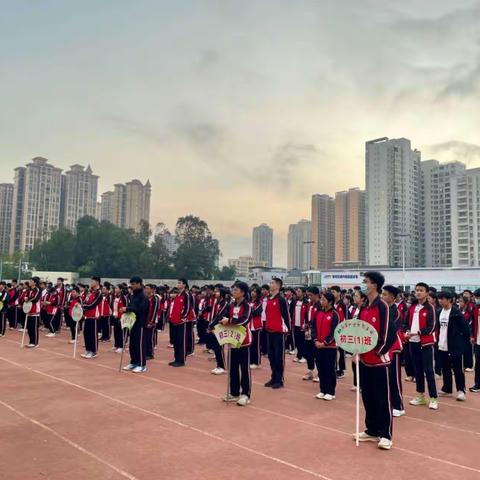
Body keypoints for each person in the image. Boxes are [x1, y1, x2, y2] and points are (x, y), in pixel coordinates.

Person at [356, 271, 395, 450]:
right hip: (364, 360)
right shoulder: (363, 306)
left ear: (374, 285)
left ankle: (385, 434)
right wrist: (357, 352)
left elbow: (388, 334)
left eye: (366, 281)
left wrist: (378, 352)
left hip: (380, 362)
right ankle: (371, 430)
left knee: (382, 398)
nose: (363, 284)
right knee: (367, 396)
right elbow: (357, 331)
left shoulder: (383, 306)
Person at [406, 282, 439, 410]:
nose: (418, 292)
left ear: (426, 293)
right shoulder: (413, 307)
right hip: (413, 342)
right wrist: (406, 331)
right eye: (416, 290)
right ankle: (420, 396)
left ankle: (433, 398)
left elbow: (431, 327)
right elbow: (405, 322)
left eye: (421, 290)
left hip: (426, 343)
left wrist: (418, 333)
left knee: (429, 371)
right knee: (417, 370)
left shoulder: (430, 308)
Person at [221, 281, 252, 406]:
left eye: (236, 290)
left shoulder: (247, 306)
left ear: (243, 293)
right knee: (233, 368)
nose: (233, 292)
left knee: (244, 368)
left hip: (243, 341)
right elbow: (222, 316)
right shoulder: (231, 304)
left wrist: (229, 320)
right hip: (232, 340)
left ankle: (245, 394)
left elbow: (244, 320)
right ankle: (234, 392)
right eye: (233, 290)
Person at [436, 291, 470, 401]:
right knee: (445, 368)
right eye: (439, 299)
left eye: (443, 298)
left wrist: (460, 343)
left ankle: (461, 390)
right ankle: (447, 389)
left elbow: (465, 329)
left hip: (455, 346)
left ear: (450, 300)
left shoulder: (456, 313)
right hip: (442, 345)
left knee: (458, 369)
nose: (440, 301)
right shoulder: (439, 312)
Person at [382, 285, 405, 417]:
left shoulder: (395, 311)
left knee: (394, 377)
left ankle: (399, 406)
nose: (382, 297)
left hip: (394, 348)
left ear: (393, 297)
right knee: (387, 378)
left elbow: (391, 328)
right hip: (385, 348)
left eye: (385, 294)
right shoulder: (385, 309)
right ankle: (390, 403)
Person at [312, 291, 339, 401]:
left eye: (324, 300)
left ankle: (331, 391)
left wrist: (325, 343)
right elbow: (313, 327)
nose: (321, 301)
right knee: (320, 368)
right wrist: (316, 340)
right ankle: (322, 390)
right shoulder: (318, 313)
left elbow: (335, 331)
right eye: (321, 299)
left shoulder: (334, 314)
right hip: (318, 346)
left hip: (329, 347)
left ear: (330, 302)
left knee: (329, 369)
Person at [265, 278, 290, 389]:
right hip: (269, 331)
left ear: (278, 286)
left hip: (279, 332)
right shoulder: (269, 299)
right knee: (271, 356)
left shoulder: (281, 300)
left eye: (273, 283)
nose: (270, 285)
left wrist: (287, 330)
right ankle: (273, 377)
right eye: (270, 283)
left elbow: (286, 316)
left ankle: (279, 380)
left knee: (278, 356)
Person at [122, 276, 149, 373]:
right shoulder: (133, 295)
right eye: (131, 284)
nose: (132, 286)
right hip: (132, 323)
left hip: (140, 323)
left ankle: (142, 364)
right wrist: (126, 311)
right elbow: (131, 306)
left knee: (140, 344)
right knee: (132, 344)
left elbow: (141, 309)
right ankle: (134, 362)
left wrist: (128, 309)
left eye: (133, 284)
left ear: (139, 284)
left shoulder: (143, 296)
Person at [169, 278, 194, 367]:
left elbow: (188, 308)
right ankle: (176, 359)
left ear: (184, 285)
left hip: (182, 322)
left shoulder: (187, 295)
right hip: (175, 321)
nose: (178, 284)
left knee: (181, 341)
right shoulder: (178, 295)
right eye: (178, 283)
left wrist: (183, 318)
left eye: (180, 283)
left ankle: (181, 360)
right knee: (176, 341)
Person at [207, 286, 230, 375]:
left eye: (218, 292)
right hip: (215, 327)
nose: (215, 293)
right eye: (215, 291)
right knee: (216, 347)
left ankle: (222, 366)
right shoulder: (217, 303)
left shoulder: (225, 303)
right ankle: (218, 365)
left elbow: (219, 316)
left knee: (219, 347)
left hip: (221, 327)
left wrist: (211, 324)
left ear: (222, 294)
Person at [303, 286, 321, 382]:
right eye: (308, 295)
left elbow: (317, 320)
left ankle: (319, 373)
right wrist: (306, 326)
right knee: (309, 353)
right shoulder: (309, 304)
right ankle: (310, 371)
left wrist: (310, 325)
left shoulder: (320, 305)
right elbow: (306, 316)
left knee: (317, 354)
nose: (309, 297)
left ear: (317, 295)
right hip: (308, 332)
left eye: (311, 295)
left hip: (316, 333)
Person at [81, 277, 102, 359]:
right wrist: (83, 305)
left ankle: (94, 351)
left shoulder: (99, 292)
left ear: (97, 282)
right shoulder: (90, 292)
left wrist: (83, 306)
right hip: (87, 315)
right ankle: (88, 349)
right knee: (86, 333)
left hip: (94, 316)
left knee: (93, 334)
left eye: (92, 281)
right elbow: (85, 301)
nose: (91, 283)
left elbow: (93, 304)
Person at [292, 287, 308, 364]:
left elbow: (307, 315)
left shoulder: (306, 302)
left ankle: (304, 356)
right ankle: (299, 355)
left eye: (299, 291)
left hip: (303, 325)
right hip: (296, 324)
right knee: (297, 340)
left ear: (303, 293)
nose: (297, 293)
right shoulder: (295, 301)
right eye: (297, 291)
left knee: (303, 341)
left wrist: (306, 324)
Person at [249, 286, 263, 369]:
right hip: (249, 326)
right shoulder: (249, 301)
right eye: (252, 291)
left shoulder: (259, 303)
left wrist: (248, 313)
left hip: (256, 326)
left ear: (257, 293)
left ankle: (257, 362)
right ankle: (251, 360)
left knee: (256, 345)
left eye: (254, 291)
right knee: (250, 344)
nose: (252, 293)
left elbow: (256, 313)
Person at [144, 284, 160, 360]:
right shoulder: (145, 298)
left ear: (152, 289)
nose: (146, 290)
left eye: (147, 288)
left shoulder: (155, 299)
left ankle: (150, 353)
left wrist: (151, 321)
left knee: (150, 338)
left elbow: (155, 310)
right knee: (145, 337)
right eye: (145, 288)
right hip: (145, 320)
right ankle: (146, 352)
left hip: (151, 321)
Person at [25, 277, 41, 348]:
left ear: (35, 283)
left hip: (35, 311)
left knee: (34, 328)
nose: (29, 282)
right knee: (29, 328)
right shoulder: (29, 290)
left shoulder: (37, 289)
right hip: (29, 310)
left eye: (31, 281)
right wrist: (25, 299)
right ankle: (31, 342)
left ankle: (35, 343)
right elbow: (25, 297)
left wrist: (27, 299)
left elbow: (35, 299)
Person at [470, 289, 480, 393]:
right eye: (476, 297)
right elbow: (472, 324)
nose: (476, 299)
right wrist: (472, 335)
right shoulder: (475, 308)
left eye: (478, 297)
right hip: (478, 341)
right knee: (477, 365)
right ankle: (477, 384)